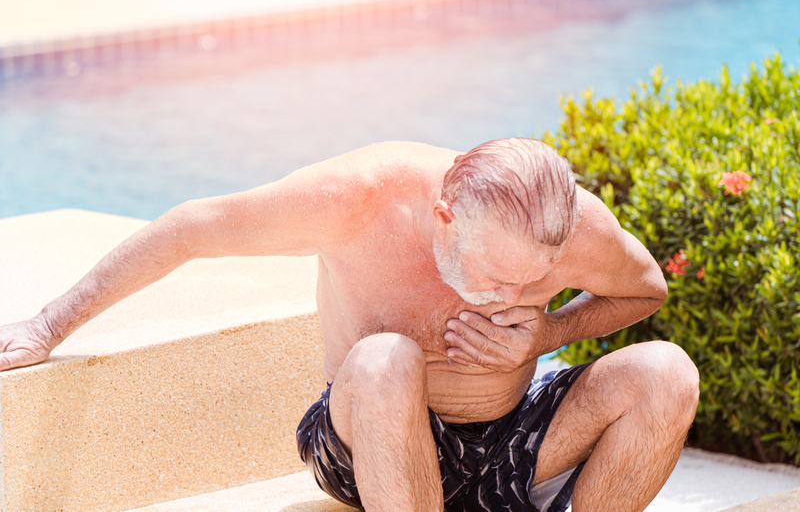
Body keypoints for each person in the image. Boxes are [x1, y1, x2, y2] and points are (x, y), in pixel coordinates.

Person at [0, 138, 699, 512]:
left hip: (514, 446)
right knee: (385, 358)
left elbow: (645, 291)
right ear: (444, 218)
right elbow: (191, 229)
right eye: (494, 276)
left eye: (532, 280)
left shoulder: (569, 222)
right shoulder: (359, 198)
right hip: (370, 452)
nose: (507, 296)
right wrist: (47, 325)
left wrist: (546, 333)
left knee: (666, 372)